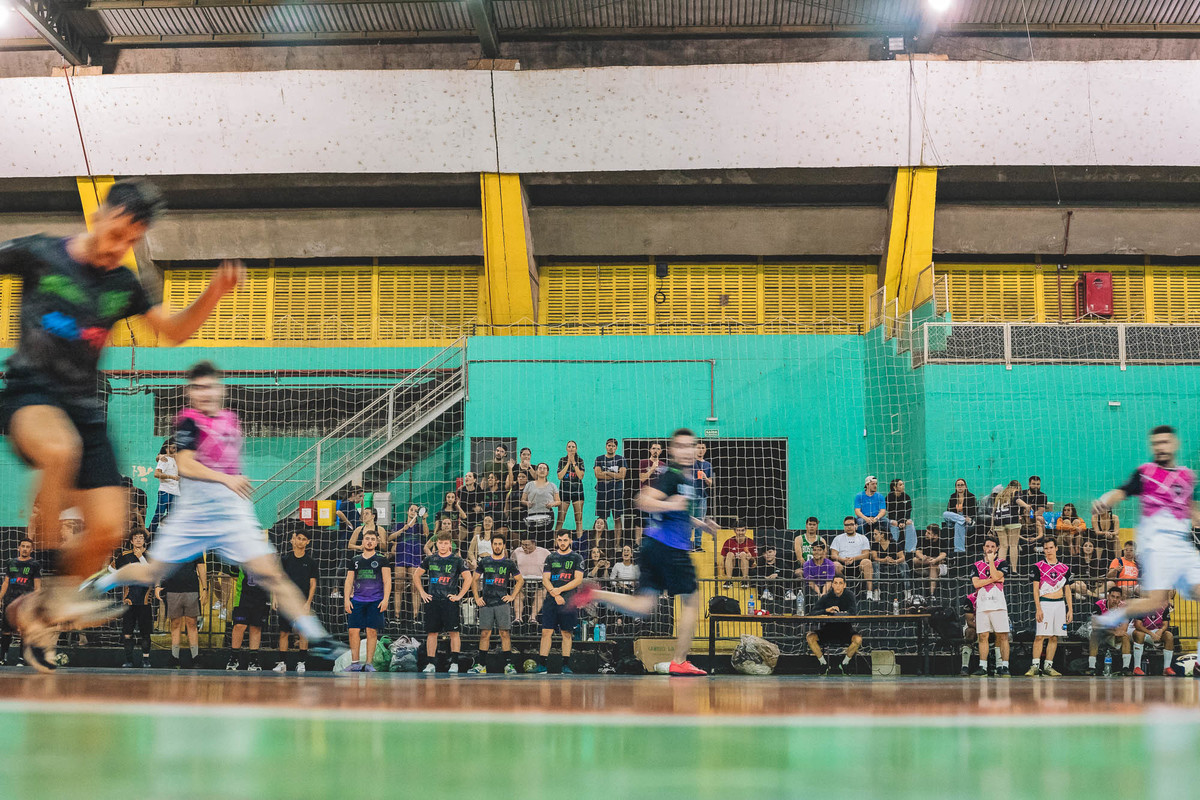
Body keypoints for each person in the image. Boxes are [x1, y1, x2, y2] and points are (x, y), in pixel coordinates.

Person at [0, 181, 247, 671]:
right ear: (100, 215)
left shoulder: (123, 284)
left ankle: (39, 611)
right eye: (116, 234)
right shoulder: (40, 253)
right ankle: (49, 573)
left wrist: (214, 292)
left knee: (110, 527)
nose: (120, 248)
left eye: (132, 241)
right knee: (59, 450)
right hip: (31, 395)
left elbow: (174, 331)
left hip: (87, 411)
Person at [84, 361, 346, 673]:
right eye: (197, 388)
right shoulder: (188, 423)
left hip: (232, 515)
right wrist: (225, 479)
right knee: (151, 573)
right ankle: (104, 580)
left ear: (219, 390)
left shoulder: (230, 420)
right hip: (193, 516)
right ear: (190, 393)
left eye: (208, 386)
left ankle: (318, 637)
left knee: (272, 575)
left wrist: (231, 484)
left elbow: (227, 461)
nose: (203, 393)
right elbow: (185, 465)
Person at [569, 428, 719, 676]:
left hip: (653, 546)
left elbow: (679, 512)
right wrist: (669, 505)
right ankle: (679, 660)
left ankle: (595, 593)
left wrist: (702, 525)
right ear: (672, 450)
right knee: (692, 601)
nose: (686, 451)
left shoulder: (687, 479)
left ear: (696, 449)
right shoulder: (671, 476)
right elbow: (642, 500)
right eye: (680, 446)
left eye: (690, 446)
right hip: (671, 548)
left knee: (642, 606)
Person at [1091, 425, 1200, 670]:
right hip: (1157, 546)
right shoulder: (1146, 473)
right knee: (1155, 602)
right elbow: (1121, 492)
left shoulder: (1187, 476)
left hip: (1182, 546)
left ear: (1174, 444)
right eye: (1156, 443)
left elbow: (1191, 509)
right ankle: (1108, 619)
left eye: (1165, 442)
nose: (1160, 447)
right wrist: (1104, 501)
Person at [413, 531, 472, 674]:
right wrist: (422, 593)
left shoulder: (457, 560)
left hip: (449, 601)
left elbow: (468, 578)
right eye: (440, 543)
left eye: (446, 543)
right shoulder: (430, 559)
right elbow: (416, 575)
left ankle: (455, 663)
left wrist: (459, 596)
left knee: (454, 633)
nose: (443, 546)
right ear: (437, 543)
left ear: (450, 544)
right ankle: (431, 663)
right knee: (432, 633)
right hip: (433, 600)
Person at [531, 531, 585, 674]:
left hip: (568, 600)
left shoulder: (577, 557)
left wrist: (559, 590)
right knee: (546, 632)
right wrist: (554, 594)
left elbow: (578, 580)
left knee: (566, 633)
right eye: (560, 540)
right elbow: (545, 579)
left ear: (570, 541)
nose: (562, 543)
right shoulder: (551, 557)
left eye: (565, 540)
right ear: (556, 541)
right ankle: (542, 665)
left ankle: (565, 665)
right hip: (551, 600)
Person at [469, 533, 523, 675]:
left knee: (504, 633)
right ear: (491, 545)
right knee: (484, 634)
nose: (497, 546)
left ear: (504, 545)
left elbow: (520, 580)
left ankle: (508, 665)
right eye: (495, 544)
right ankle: (481, 665)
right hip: (486, 603)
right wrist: (477, 597)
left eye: (500, 544)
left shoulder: (509, 563)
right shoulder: (485, 562)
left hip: (501, 603)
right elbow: (474, 579)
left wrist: (512, 596)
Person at [343, 530, 390, 673]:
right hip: (357, 600)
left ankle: (369, 664)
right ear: (363, 541)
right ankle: (355, 663)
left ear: (376, 542)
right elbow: (349, 581)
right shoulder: (355, 560)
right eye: (367, 539)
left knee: (371, 631)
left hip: (375, 600)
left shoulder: (382, 559)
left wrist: (385, 599)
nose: (369, 541)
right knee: (353, 631)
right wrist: (346, 600)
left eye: (372, 539)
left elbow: (387, 581)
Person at [1027, 537, 1073, 677]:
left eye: (1051, 547)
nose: (1048, 551)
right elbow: (1035, 589)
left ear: (1056, 548)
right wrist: (1038, 608)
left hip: (1059, 604)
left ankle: (1048, 666)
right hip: (1045, 603)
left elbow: (1067, 590)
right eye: (1046, 548)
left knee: (1054, 637)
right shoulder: (1038, 566)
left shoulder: (1064, 568)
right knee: (1040, 636)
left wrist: (1070, 609)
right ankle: (1035, 666)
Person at [274, 530, 318, 673]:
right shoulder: (285, 559)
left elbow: (313, 584)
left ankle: (301, 662)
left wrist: (308, 603)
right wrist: (275, 598)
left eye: (304, 539)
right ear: (295, 540)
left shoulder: (310, 562)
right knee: (284, 632)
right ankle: (282, 663)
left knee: (303, 633)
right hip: (286, 601)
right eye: (299, 538)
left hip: (302, 603)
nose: (301, 541)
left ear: (308, 542)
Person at [970, 535, 1010, 677]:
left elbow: (995, 574)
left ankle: (1004, 666)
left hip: (998, 604)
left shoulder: (1002, 563)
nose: (990, 549)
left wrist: (992, 561)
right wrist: (994, 579)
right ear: (983, 548)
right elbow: (976, 583)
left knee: (1003, 636)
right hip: (982, 604)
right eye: (987, 546)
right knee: (983, 636)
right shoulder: (976, 565)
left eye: (993, 546)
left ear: (997, 548)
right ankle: (983, 667)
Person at [805, 575, 862, 675]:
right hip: (828, 631)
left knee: (858, 639)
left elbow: (853, 613)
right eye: (835, 583)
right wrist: (826, 610)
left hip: (845, 630)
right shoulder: (826, 597)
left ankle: (844, 664)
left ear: (844, 585)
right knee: (810, 637)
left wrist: (841, 614)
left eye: (840, 583)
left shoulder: (849, 596)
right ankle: (823, 664)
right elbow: (812, 613)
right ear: (832, 585)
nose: (838, 586)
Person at [113, 531, 153, 668]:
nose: (138, 540)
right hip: (129, 600)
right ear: (131, 541)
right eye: (135, 538)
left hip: (144, 601)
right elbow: (112, 569)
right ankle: (128, 660)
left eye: (141, 538)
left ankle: (146, 660)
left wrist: (141, 557)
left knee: (145, 633)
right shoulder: (124, 556)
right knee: (127, 633)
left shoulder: (150, 556)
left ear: (145, 540)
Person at [158, 555, 204, 669]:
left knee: (192, 623)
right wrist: (157, 585)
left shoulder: (195, 547)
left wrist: (205, 588)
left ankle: (195, 657)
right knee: (175, 623)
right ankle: (175, 657)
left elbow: (201, 566)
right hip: (172, 589)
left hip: (192, 589)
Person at [0, 538, 41, 665]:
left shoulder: (34, 564)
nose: (25, 549)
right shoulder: (11, 562)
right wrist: (0, 598)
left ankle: (21, 659)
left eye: (28, 547)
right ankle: (2, 658)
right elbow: (6, 582)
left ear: (31, 550)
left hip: (25, 602)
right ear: (18, 548)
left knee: (24, 630)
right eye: (23, 546)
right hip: (10, 601)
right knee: (6, 630)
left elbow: (37, 586)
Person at [388, 504, 427, 618]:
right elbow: (390, 538)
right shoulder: (400, 525)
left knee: (415, 588)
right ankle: (396, 616)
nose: (413, 512)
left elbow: (426, 534)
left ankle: (415, 617)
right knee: (398, 587)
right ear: (407, 512)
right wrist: (402, 530)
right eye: (411, 510)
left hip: (415, 557)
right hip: (401, 556)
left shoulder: (419, 526)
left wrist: (424, 520)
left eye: (415, 510)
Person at [228, 566, 269, 671]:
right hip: (243, 597)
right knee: (239, 626)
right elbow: (233, 574)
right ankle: (234, 658)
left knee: (255, 627)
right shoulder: (241, 558)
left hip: (261, 597)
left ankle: (253, 660)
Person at [1088, 587, 1133, 675]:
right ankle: (1091, 667)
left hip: (1113, 634)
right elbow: (1095, 626)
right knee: (1094, 634)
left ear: (1120, 598)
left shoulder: (1123, 608)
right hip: (1100, 633)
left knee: (1125, 636)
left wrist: (1115, 632)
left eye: (1117, 597)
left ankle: (1126, 668)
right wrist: (1113, 631)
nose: (1115, 599)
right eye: (1113, 596)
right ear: (1108, 596)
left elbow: (1124, 629)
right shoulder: (1099, 605)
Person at [990, 481, 1031, 572]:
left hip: (998, 520)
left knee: (1003, 546)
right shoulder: (1015, 492)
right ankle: (1014, 570)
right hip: (1011, 519)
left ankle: (1001, 569)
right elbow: (1018, 500)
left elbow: (994, 511)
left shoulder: (1000, 495)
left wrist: (992, 526)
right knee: (1013, 545)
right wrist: (1026, 506)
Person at [594, 438, 629, 546]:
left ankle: (617, 545)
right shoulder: (599, 459)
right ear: (606, 446)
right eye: (609, 445)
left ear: (616, 448)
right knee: (601, 519)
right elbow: (598, 475)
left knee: (617, 518)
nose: (611, 448)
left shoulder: (621, 459)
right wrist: (614, 475)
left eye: (613, 446)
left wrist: (606, 473)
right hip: (602, 492)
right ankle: (599, 544)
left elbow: (622, 475)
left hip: (616, 493)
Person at [831, 516, 875, 601]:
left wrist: (853, 558)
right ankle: (839, 592)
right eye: (847, 525)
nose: (849, 527)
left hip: (858, 563)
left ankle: (869, 593)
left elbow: (866, 554)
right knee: (835, 565)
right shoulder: (838, 538)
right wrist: (843, 559)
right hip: (843, 563)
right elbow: (833, 555)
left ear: (856, 526)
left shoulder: (863, 538)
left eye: (851, 524)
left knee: (867, 562)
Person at [512, 537, 550, 623]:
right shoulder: (517, 551)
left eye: (527, 545)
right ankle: (518, 618)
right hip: (522, 582)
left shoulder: (545, 552)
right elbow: (511, 564)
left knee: (540, 595)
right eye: (522, 545)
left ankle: (533, 618)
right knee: (517, 595)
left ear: (534, 543)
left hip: (539, 582)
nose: (524, 547)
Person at [1133, 603, 1176, 676]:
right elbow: (1138, 625)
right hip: (1144, 631)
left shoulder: (1165, 607)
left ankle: (1167, 668)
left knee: (1169, 636)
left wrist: (1161, 630)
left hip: (1157, 632)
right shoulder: (1141, 607)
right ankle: (1137, 667)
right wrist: (1151, 633)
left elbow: (1165, 624)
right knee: (1138, 634)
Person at [637, 442, 666, 547]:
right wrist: (653, 468)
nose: (655, 451)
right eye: (653, 448)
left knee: (656, 522)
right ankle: (638, 544)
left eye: (658, 449)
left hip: (657, 499)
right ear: (650, 450)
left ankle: (656, 544)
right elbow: (642, 478)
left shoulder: (663, 465)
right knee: (640, 522)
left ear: (661, 451)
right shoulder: (643, 463)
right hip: (645, 497)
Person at [148, 439, 179, 533]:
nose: (175, 449)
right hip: (165, 491)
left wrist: (158, 456)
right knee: (159, 514)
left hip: (175, 492)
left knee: (172, 517)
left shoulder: (174, 459)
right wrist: (172, 477)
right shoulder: (164, 460)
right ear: (167, 448)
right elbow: (156, 474)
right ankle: (150, 535)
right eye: (173, 447)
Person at [556, 441, 587, 537]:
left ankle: (580, 542)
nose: (571, 448)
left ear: (576, 449)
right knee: (560, 519)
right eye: (569, 446)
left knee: (579, 520)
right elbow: (560, 476)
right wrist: (568, 463)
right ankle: (556, 541)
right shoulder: (562, 460)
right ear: (566, 448)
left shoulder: (580, 460)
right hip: (564, 492)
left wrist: (573, 463)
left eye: (573, 447)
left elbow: (581, 476)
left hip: (577, 492)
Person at [870, 526, 907, 604]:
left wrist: (895, 561)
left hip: (893, 565)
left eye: (875, 534)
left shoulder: (893, 543)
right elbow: (874, 558)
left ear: (882, 535)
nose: (873, 536)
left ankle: (907, 592)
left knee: (904, 564)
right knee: (874, 564)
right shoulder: (875, 544)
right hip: (880, 565)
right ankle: (876, 592)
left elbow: (902, 557)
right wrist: (884, 560)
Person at [943, 478, 978, 554]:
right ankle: (962, 519)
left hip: (966, 519)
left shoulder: (971, 497)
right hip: (953, 519)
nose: (960, 487)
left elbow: (973, 511)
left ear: (965, 486)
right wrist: (962, 518)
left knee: (959, 524)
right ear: (956, 487)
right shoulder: (953, 496)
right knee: (945, 514)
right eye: (958, 485)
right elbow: (949, 510)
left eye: (962, 485)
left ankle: (959, 551)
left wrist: (968, 518)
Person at [912, 524, 947, 597]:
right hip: (925, 563)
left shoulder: (942, 542)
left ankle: (931, 594)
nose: (926, 534)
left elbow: (943, 555)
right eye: (926, 532)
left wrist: (935, 560)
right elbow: (918, 552)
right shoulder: (922, 540)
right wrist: (923, 557)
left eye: (929, 533)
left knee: (933, 565)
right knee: (914, 560)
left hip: (939, 566)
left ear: (936, 536)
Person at [719, 522, 757, 586]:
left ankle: (745, 580)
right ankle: (729, 580)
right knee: (730, 554)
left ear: (746, 530)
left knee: (743, 554)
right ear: (734, 531)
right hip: (732, 569)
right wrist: (722, 569)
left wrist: (750, 558)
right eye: (738, 530)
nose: (740, 533)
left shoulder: (751, 542)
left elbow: (755, 560)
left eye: (742, 530)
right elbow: (722, 558)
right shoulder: (729, 542)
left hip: (746, 568)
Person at [692, 441, 714, 551]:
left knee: (699, 521)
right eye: (698, 447)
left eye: (702, 448)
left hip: (702, 496)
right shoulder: (690, 462)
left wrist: (705, 477)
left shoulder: (708, 465)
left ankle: (697, 545)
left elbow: (710, 483)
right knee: (688, 520)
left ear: (705, 450)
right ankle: (685, 543)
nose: (700, 450)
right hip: (690, 495)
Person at [886, 479, 916, 553]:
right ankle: (894, 548)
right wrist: (899, 522)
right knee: (894, 523)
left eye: (903, 484)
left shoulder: (906, 497)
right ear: (894, 487)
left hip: (904, 519)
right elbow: (890, 513)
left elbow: (908, 511)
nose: (903, 486)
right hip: (892, 519)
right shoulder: (888, 498)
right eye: (900, 485)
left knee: (910, 523)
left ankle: (910, 550)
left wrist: (904, 521)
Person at [458, 472, 486, 541]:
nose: (467, 477)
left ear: (474, 480)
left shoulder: (479, 491)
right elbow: (458, 505)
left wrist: (480, 509)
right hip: (465, 518)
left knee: (475, 539)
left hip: (477, 519)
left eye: (470, 476)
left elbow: (484, 506)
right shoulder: (461, 491)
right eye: (466, 476)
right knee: (459, 539)